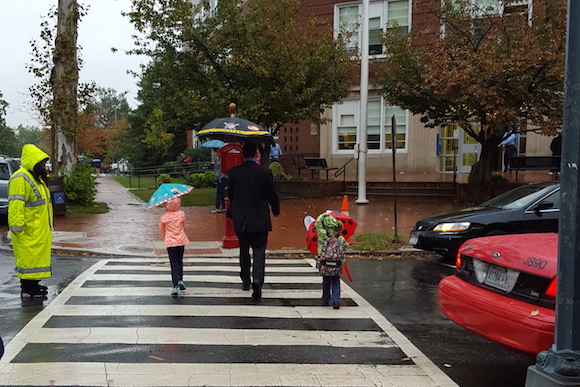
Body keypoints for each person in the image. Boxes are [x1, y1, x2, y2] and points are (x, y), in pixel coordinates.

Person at [227, 142, 280, 301]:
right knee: (259, 250)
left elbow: (231, 195)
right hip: (260, 218)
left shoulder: (234, 173)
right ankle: (258, 280)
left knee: (244, 250)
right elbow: (272, 194)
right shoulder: (265, 172)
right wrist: (276, 209)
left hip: (241, 218)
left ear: (243, 154)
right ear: (256, 154)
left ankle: (245, 280)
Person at [8, 144, 53, 298]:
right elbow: (16, 204)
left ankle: (33, 285)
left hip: (37, 229)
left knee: (35, 260)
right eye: (40, 164)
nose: (43, 167)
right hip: (28, 229)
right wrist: (17, 227)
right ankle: (28, 287)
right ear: (32, 163)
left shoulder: (36, 179)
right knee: (28, 260)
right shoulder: (21, 178)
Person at [315, 212, 349, 309]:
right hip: (336, 264)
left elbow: (317, 223)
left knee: (326, 281)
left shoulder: (323, 237)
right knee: (335, 281)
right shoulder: (340, 238)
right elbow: (346, 246)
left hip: (325, 263)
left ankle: (325, 300)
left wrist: (323, 215)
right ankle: (336, 301)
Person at [158, 196, 190, 296]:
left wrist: (165, 238)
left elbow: (161, 230)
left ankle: (175, 285)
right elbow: (183, 224)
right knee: (180, 261)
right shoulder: (181, 214)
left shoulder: (163, 217)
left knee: (173, 263)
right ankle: (180, 279)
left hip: (170, 242)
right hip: (181, 240)